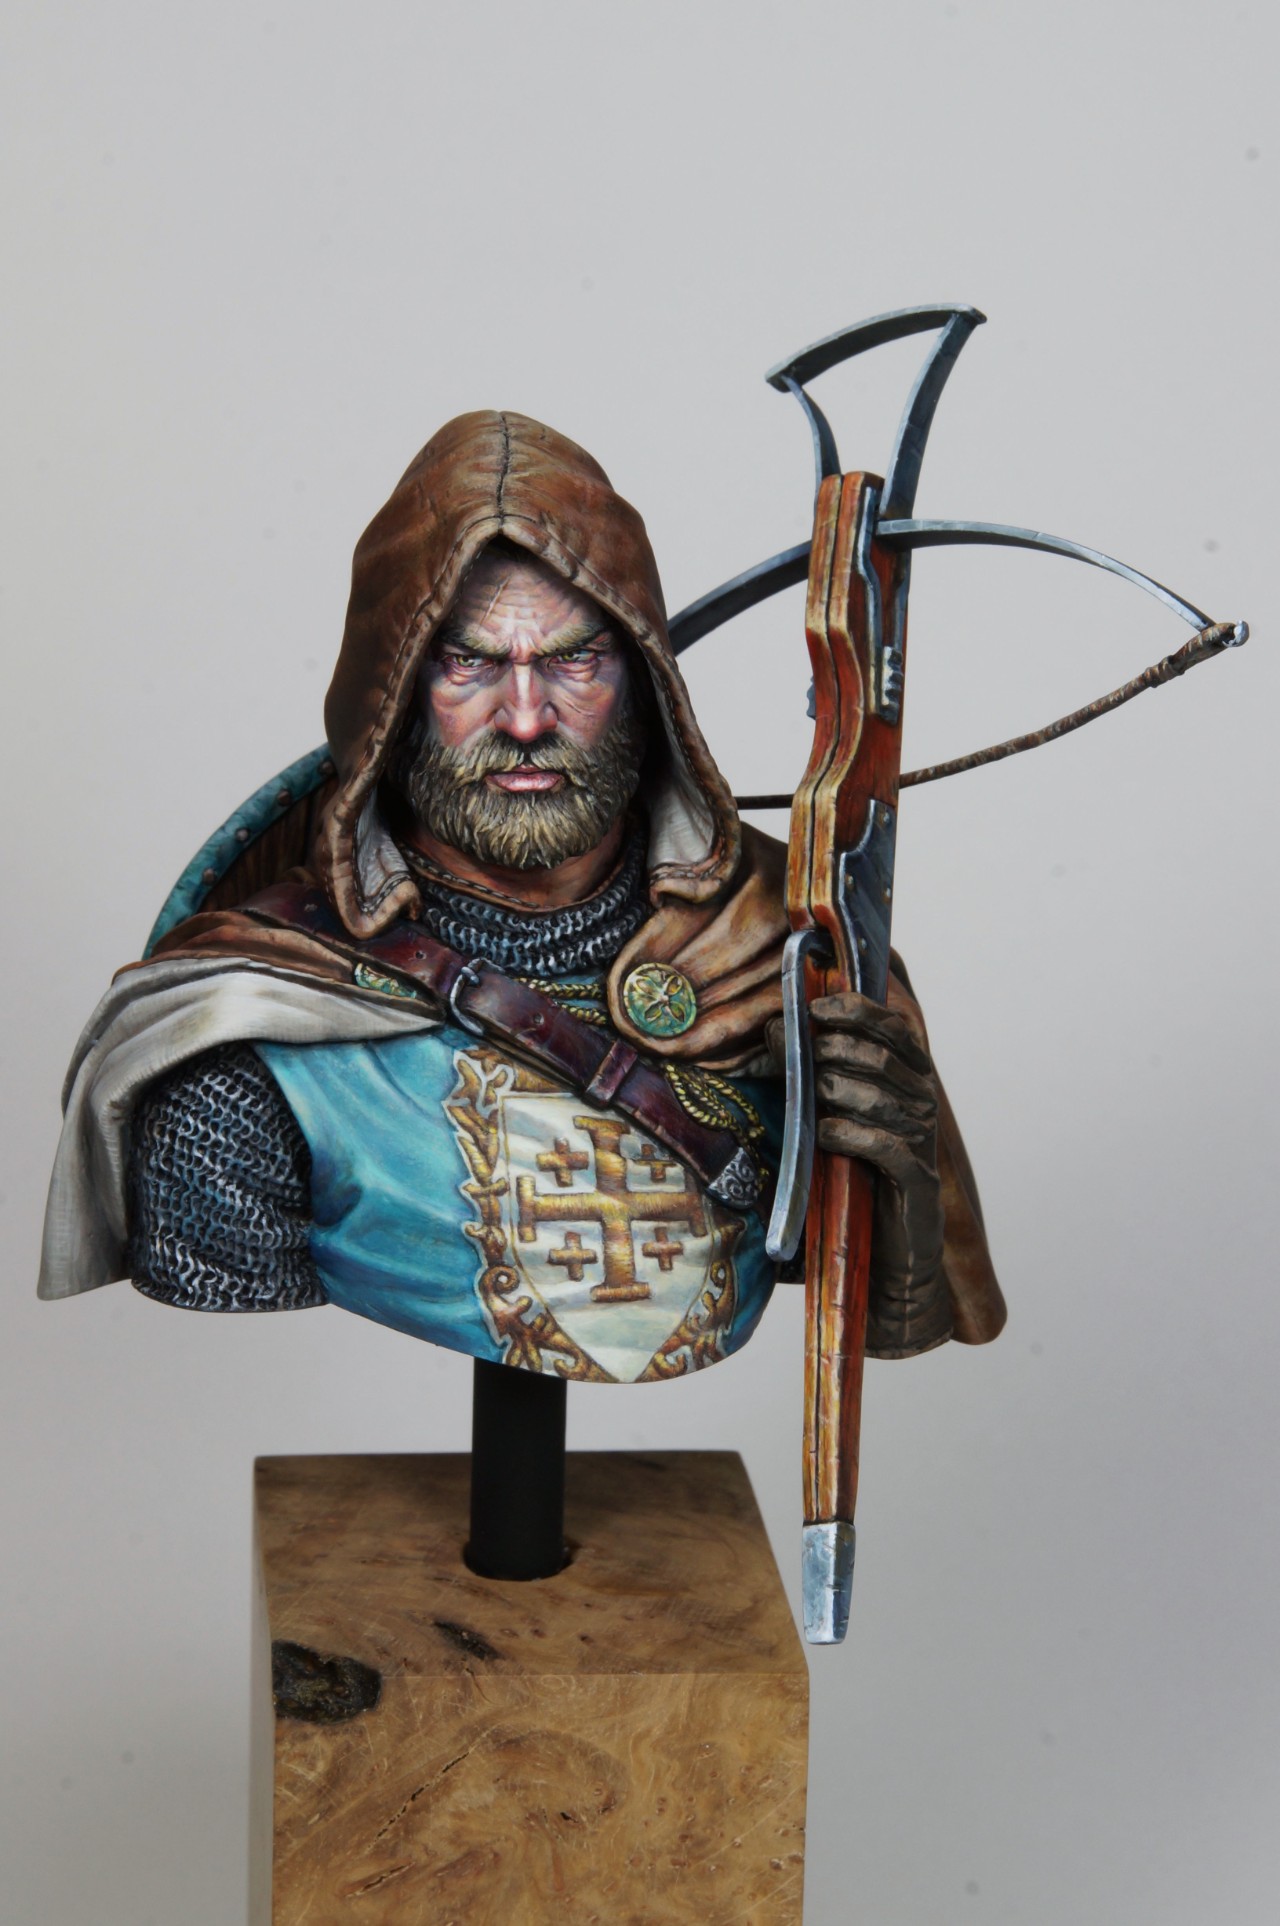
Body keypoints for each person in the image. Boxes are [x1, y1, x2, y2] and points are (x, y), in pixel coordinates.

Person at [39, 411, 1004, 1382]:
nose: (528, 717)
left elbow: (901, 1299)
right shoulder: (241, 1032)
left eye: (575, 658)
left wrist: (894, 1174)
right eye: (468, 662)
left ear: (645, 682)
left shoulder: (791, 945)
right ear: (392, 692)